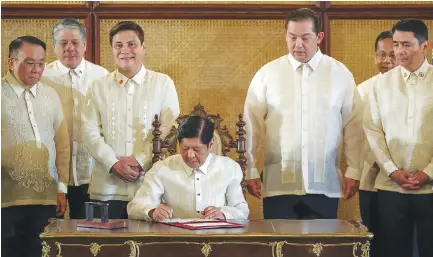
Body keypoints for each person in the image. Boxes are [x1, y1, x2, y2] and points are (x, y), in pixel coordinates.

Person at [243, 8, 364, 219]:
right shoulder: (267, 74)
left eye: (305, 38)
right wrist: (250, 168)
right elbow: (250, 125)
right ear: (285, 36)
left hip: (323, 184)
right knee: (279, 248)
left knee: (320, 249)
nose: (298, 44)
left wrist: (354, 169)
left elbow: (354, 125)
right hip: (278, 183)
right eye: (292, 37)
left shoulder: (339, 74)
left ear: (319, 37)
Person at [82, 21, 180, 219]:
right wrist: (113, 163)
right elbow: (89, 131)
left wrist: (141, 160)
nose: (125, 50)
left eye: (132, 44)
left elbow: (171, 129)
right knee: (104, 248)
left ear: (143, 48)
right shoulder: (97, 87)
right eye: (118, 46)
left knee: (150, 249)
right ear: (112, 50)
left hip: (151, 187)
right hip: (106, 187)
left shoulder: (162, 83)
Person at [363, 18, 433, 257]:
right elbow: (373, 131)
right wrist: (392, 170)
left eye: (406, 45)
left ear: (425, 46)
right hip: (391, 186)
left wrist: (428, 173)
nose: (399, 51)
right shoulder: (380, 85)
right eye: (396, 44)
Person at [1, 36, 70, 257]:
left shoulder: (51, 95)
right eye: (30, 62)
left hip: (47, 199)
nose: (37, 69)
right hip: (6, 201)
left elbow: (63, 146)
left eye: (41, 63)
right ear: (11, 62)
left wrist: (62, 188)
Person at [42, 18, 109, 219]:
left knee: (89, 236)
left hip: (91, 173)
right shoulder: (42, 76)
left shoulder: (101, 76)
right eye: (63, 43)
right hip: (51, 173)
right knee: (50, 236)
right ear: (54, 46)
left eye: (75, 43)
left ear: (85, 45)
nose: (69, 48)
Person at [128, 116, 249, 221]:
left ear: (210, 145)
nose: (190, 155)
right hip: (176, 239)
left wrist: (223, 214)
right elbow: (134, 207)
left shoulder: (228, 168)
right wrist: (152, 212)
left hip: (217, 239)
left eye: (196, 149)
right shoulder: (162, 168)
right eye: (185, 148)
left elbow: (242, 210)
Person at [357, 30, 396, 257]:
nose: (387, 61)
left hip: (409, 183)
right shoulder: (362, 91)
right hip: (371, 180)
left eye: (392, 54)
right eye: (381, 55)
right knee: (374, 242)